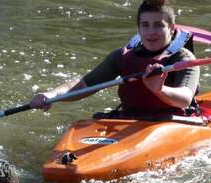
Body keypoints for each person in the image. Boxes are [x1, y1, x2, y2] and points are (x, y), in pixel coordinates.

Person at [30, 0, 200, 118]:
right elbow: (84, 85)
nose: (150, 32)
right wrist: (50, 95)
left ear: (171, 28)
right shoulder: (122, 56)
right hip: (130, 119)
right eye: (145, 25)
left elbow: (185, 99)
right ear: (138, 28)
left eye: (158, 25)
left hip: (171, 120)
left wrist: (159, 90)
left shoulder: (184, 58)